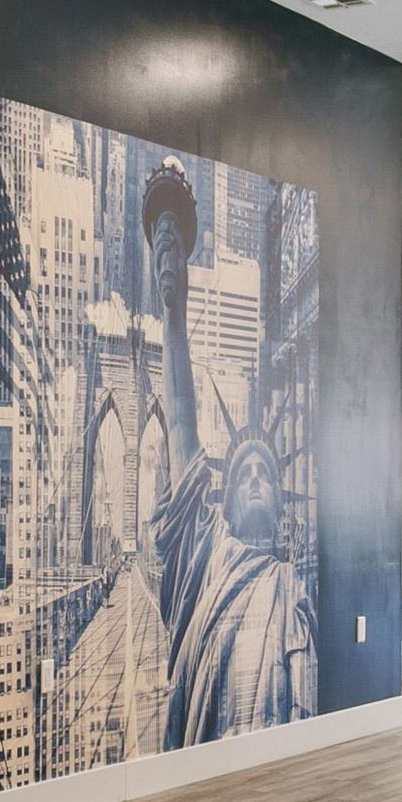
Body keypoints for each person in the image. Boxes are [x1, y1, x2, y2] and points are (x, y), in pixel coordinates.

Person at [142, 158, 313, 745]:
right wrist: (172, 315)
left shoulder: (290, 583)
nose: (259, 479)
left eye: (266, 471)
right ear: (228, 503)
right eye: (245, 474)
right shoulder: (210, 553)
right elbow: (184, 441)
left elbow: (306, 691)